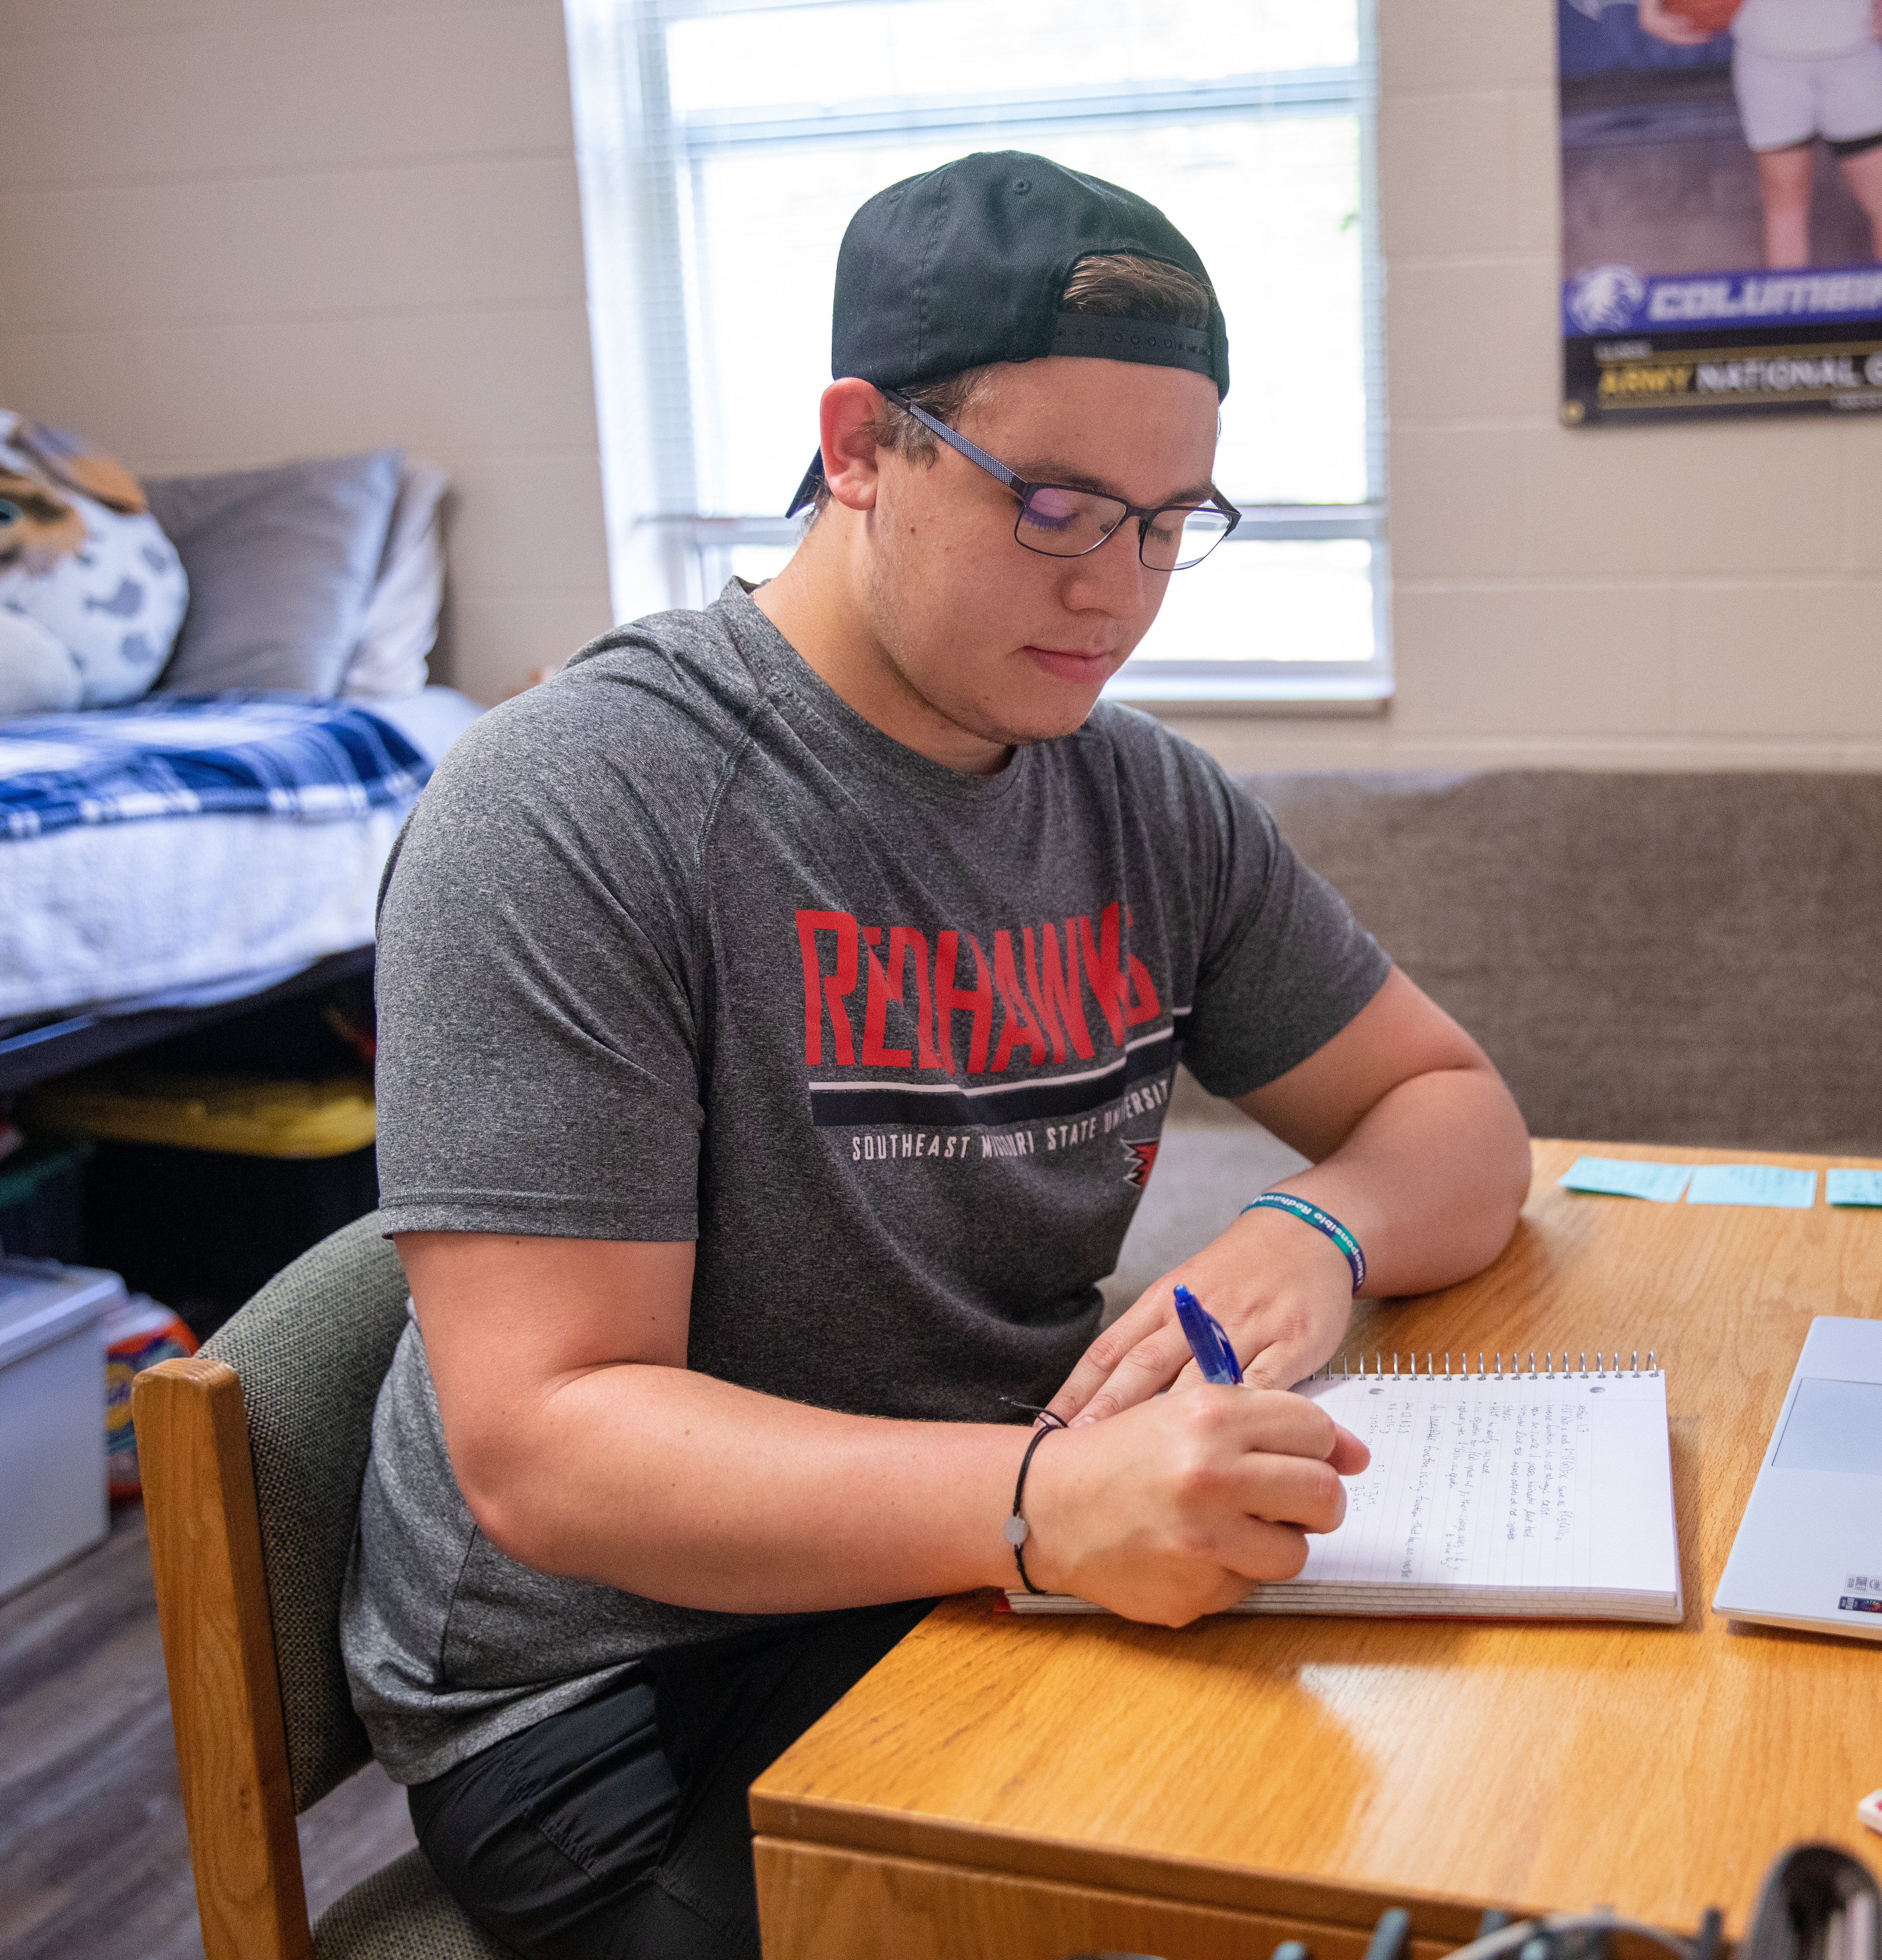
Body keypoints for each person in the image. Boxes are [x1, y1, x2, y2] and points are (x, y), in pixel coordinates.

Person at [342, 150, 1533, 1959]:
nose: (1121, 592)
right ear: (858, 446)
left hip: (978, 1559)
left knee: (1457, 1821)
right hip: (621, 1694)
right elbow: (548, 1448)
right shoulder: (576, 805)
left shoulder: (1138, 799)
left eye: (1168, 520)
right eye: (1055, 504)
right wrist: (1047, 1508)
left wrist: (1319, 1232)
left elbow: (1453, 1112)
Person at [1642, 0, 1882, 267]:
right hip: (1769, 59)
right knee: (1785, 209)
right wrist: (1648, 8)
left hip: (1855, 53)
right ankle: (1790, 323)